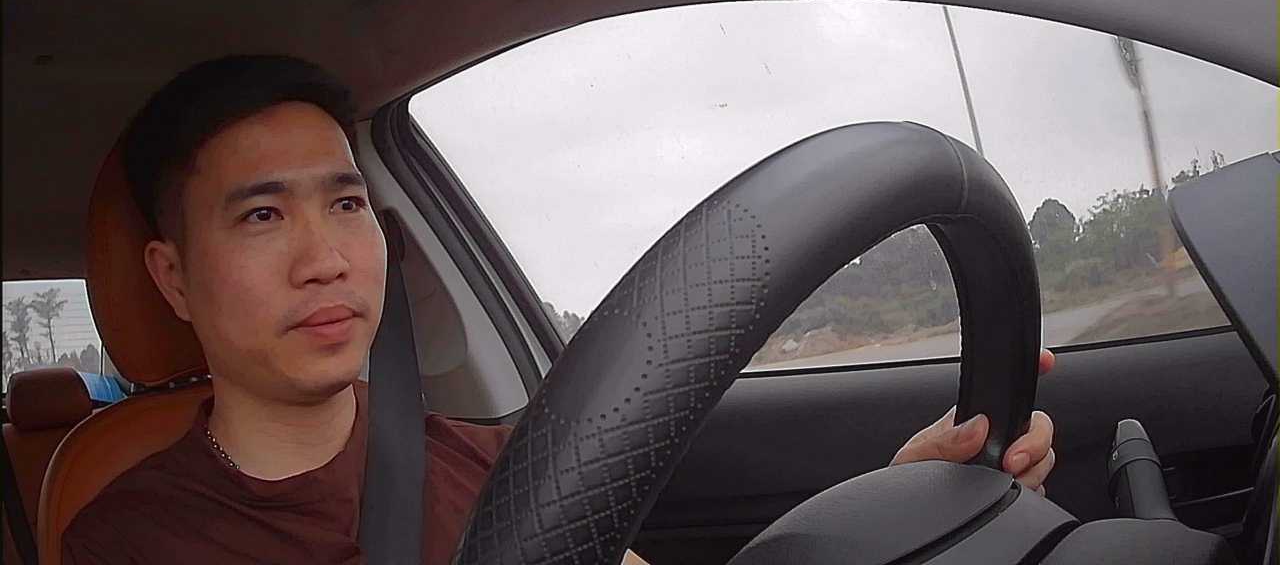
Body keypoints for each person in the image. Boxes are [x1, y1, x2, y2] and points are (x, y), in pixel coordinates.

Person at [62, 56, 1056, 564]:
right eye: (262, 214)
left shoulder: (504, 465)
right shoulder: (125, 537)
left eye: (347, 205)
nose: (324, 259)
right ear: (173, 278)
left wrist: (885, 512)